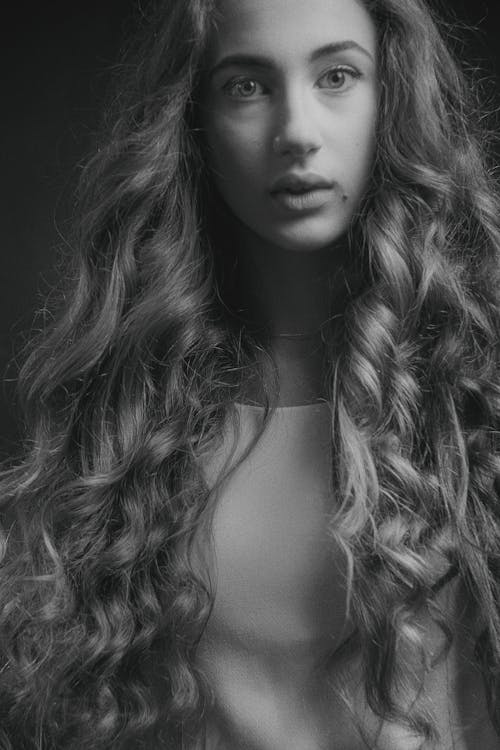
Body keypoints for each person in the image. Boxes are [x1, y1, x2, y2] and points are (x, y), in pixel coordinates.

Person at [1, 0, 500, 747]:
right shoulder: (129, 407)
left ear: (389, 95)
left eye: (337, 75)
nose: (296, 133)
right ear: (193, 122)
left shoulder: (475, 383)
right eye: (247, 86)